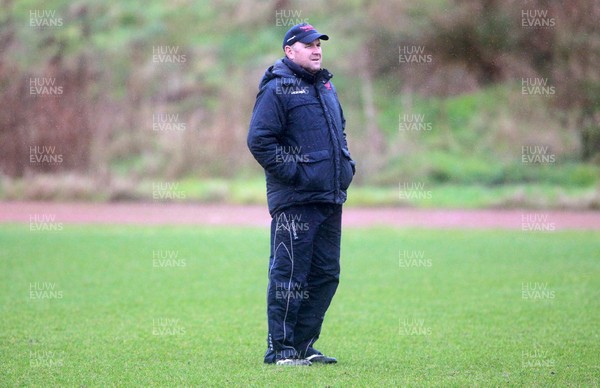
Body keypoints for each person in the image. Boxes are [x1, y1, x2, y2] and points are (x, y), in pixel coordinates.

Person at [247, 22, 356, 366]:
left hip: (329, 197)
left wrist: (346, 167)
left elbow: (339, 133)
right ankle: (280, 350)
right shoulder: (276, 88)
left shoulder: (326, 86)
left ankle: (303, 345)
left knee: (325, 275)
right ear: (289, 51)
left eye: (318, 44)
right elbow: (260, 141)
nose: (316, 49)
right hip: (296, 201)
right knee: (290, 276)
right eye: (307, 44)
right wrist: (298, 174)